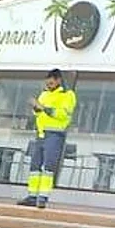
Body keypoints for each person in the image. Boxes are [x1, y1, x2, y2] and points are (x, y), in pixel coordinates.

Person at [19, 68, 77, 208]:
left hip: (55, 134)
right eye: (47, 83)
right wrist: (36, 108)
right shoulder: (44, 94)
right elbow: (39, 113)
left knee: (48, 166)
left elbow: (64, 114)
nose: (49, 85)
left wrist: (44, 108)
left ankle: (43, 197)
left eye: (51, 83)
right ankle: (32, 196)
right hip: (41, 133)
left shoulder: (68, 95)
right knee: (35, 166)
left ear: (58, 80)